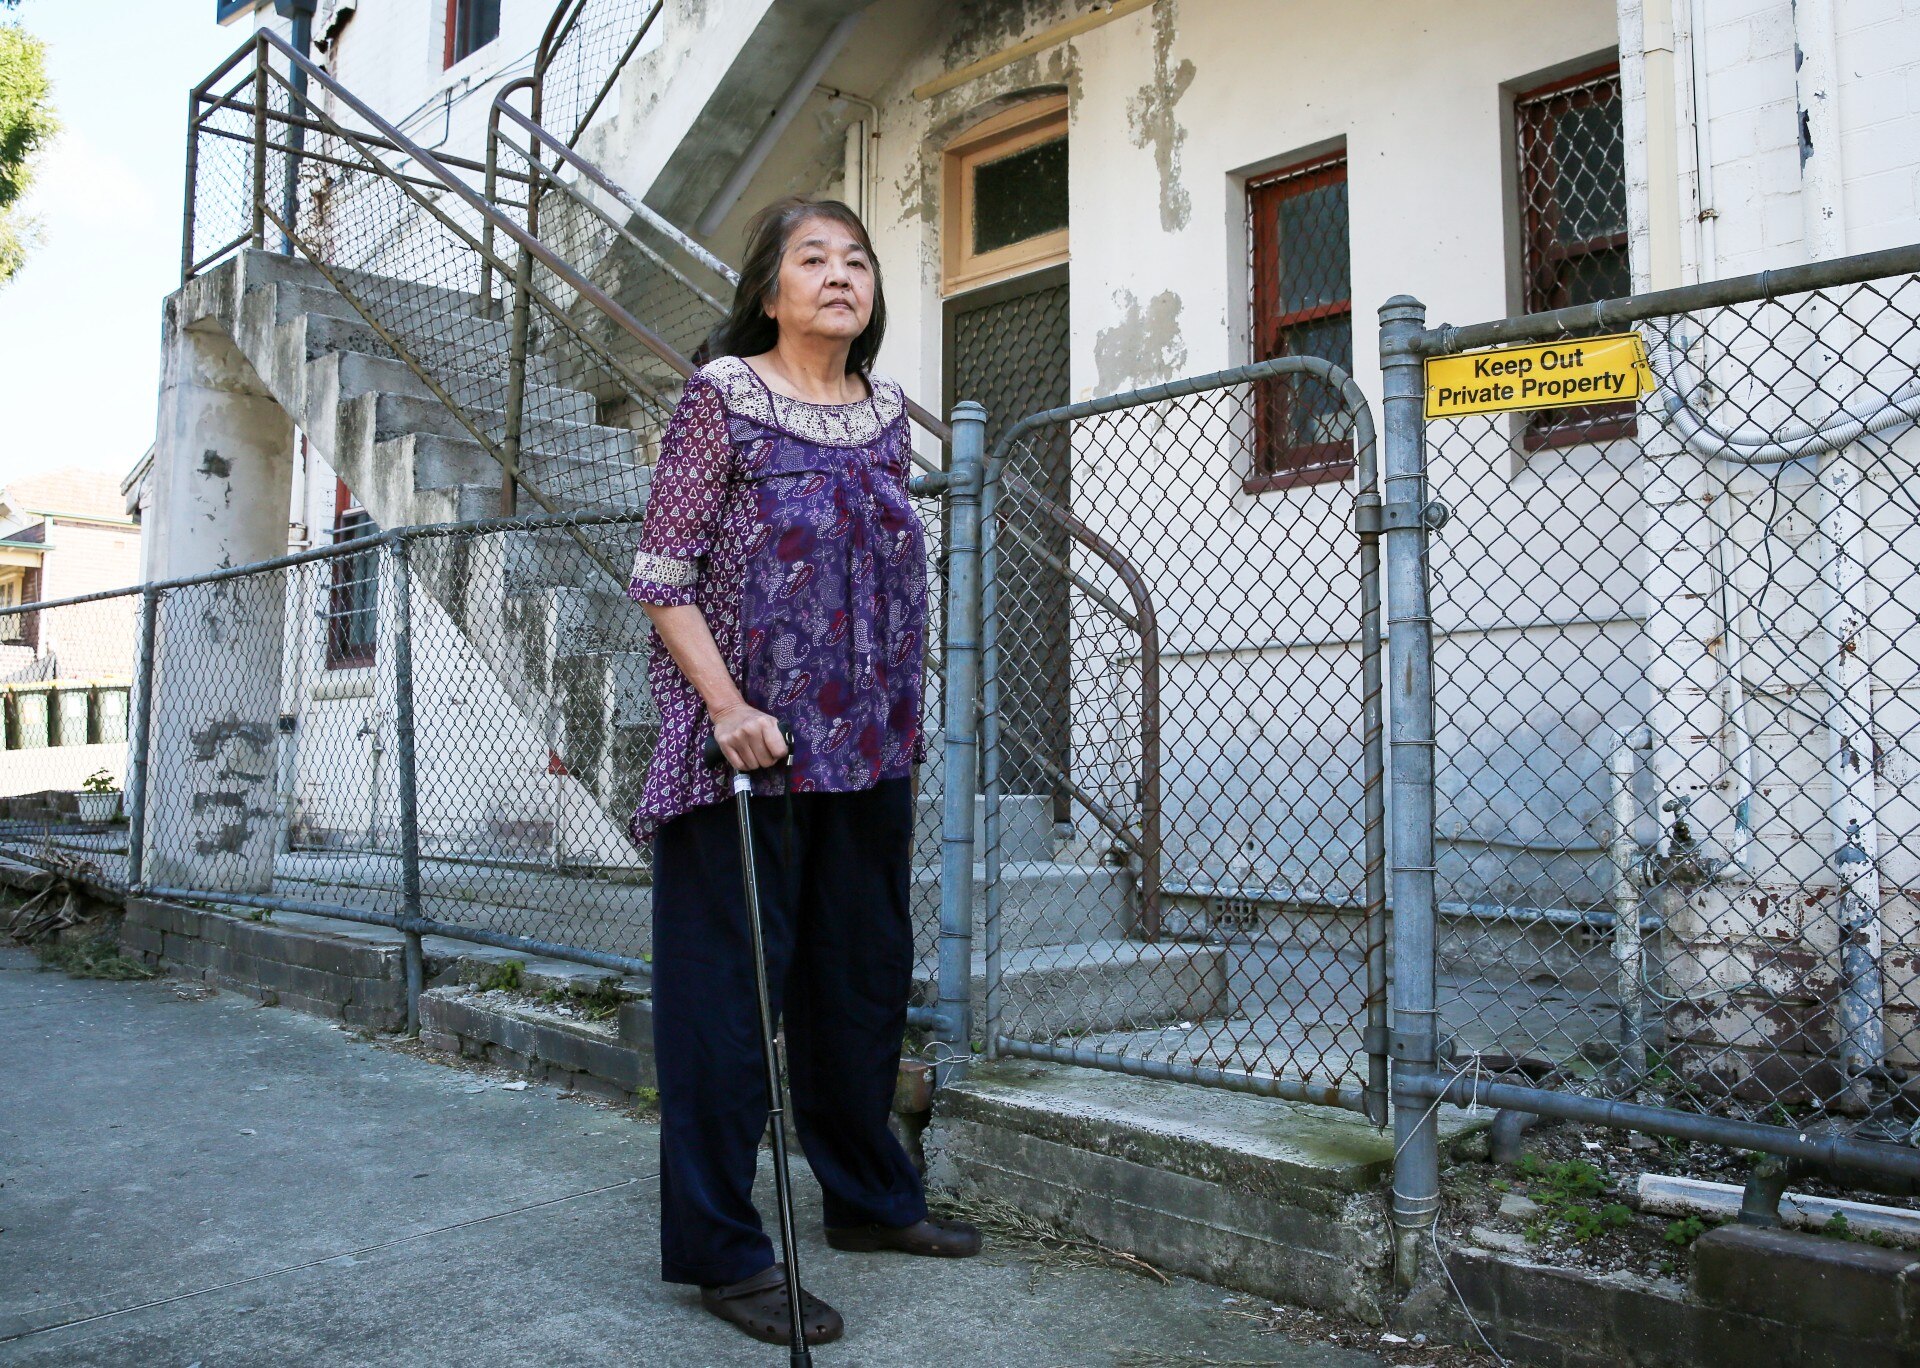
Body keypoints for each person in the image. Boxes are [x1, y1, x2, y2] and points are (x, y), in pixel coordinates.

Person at [625, 196, 982, 1348]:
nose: (840, 275)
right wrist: (725, 706)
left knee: (860, 987)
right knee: (729, 1016)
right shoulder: (720, 397)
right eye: (812, 259)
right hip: (750, 757)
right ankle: (725, 1253)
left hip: (866, 754)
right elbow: (663, 576)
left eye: (858, 260)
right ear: (770, 292)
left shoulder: (883, 417)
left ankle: (870, 1203)